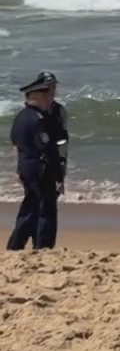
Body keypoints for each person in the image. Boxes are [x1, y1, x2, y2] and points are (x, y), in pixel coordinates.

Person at [8, 71, 66, 252]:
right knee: (46, 210)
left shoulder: (21, 117)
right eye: (49, 91)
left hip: (27, 169)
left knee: (30, 208)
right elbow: (47, 148)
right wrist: (58, 174)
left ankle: (15, 246)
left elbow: (17, 144)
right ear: (38, 95)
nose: (51, 95)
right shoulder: (38, 119)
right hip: (41, 169)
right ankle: (43, 247)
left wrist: (20, 168)